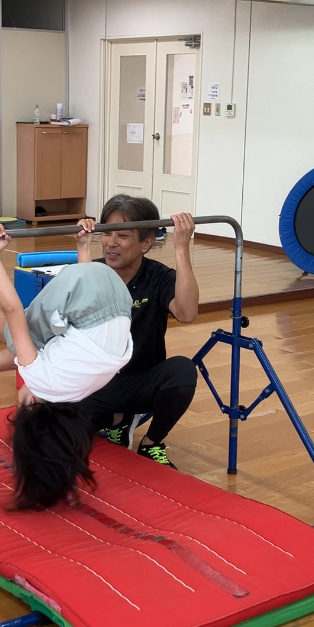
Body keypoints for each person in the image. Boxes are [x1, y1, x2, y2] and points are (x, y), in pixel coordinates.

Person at [0, 223, 135, 509]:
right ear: (30, 405)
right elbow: (12, 310)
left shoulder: (81, 389)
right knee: (21, 334)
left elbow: (89, 293)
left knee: (38, 343)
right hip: (87, 294)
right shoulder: (41, 380)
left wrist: (83, 246)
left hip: (117, 294)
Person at [75, 195, 200, 469]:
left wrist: (181, 248)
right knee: (56, 425)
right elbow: (82, 309)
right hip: (98, 383)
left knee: (182, 371)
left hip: (141, 381)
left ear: (146, 243)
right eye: (107, 233)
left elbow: (187, 313)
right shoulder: (94, 270)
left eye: (122, 236)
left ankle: (151, 443)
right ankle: (118, 420)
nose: (111, 243)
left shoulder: (159, 276)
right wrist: (83, 247)